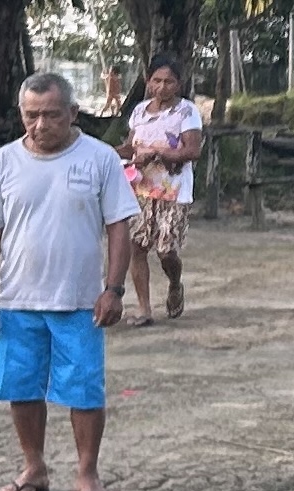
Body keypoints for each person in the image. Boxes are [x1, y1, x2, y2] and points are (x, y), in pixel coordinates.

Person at [0, 72, 139, 491]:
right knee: (22, 387)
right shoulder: (4, 162)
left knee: (84, 391)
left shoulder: (100, 159)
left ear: (72, 113)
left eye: (50, 115)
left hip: (79, 302)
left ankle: (87, 472)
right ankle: (34, 466)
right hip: (17, 300)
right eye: (31, 116)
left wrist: (114, 289)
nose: (40, 125)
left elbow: (118, 227)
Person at [116, 54, 203, 328]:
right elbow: (130, 147)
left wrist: (158, 154)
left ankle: (175, 282)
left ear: (179, 84)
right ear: (148, 80)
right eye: (157, 81)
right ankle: (144, 309)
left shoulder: (187, 112)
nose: (162, 87)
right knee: (138, 247)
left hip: (173, 192)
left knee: (166, 251)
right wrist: (106, 153)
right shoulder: (140, 112)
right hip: (141, 190)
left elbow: (193, 150)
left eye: (169, 82)